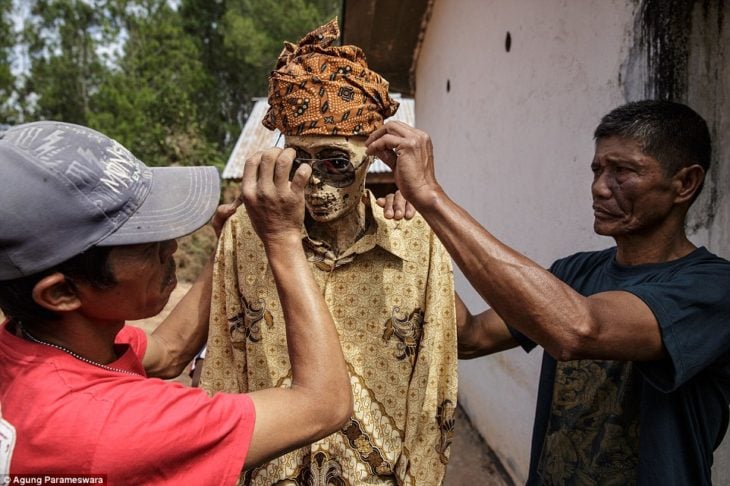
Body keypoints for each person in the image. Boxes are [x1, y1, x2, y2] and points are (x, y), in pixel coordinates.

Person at [366, 100, 730, 485]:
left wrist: (432, 198)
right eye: (597, 169)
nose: (600, 188)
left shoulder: (713, 288)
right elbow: (469, 337)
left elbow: (578, 329)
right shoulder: (575, 273)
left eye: (623, 172)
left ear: (685, 183)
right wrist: (415, 238)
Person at [0, 120, 352, 483]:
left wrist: (224, 250)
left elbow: (168, 352)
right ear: (61, 293)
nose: (171, 247)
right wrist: (282, 238)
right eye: (144, 245)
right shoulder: (121, 424)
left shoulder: (30, 346)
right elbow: (324, 404)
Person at [199, 19, 458, 485]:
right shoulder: (246, 233)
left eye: (336, 163)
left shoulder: (417, 239)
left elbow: (434, 380)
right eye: (299, 160)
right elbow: (222, 359)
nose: (313, 182)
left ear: (371, 159)